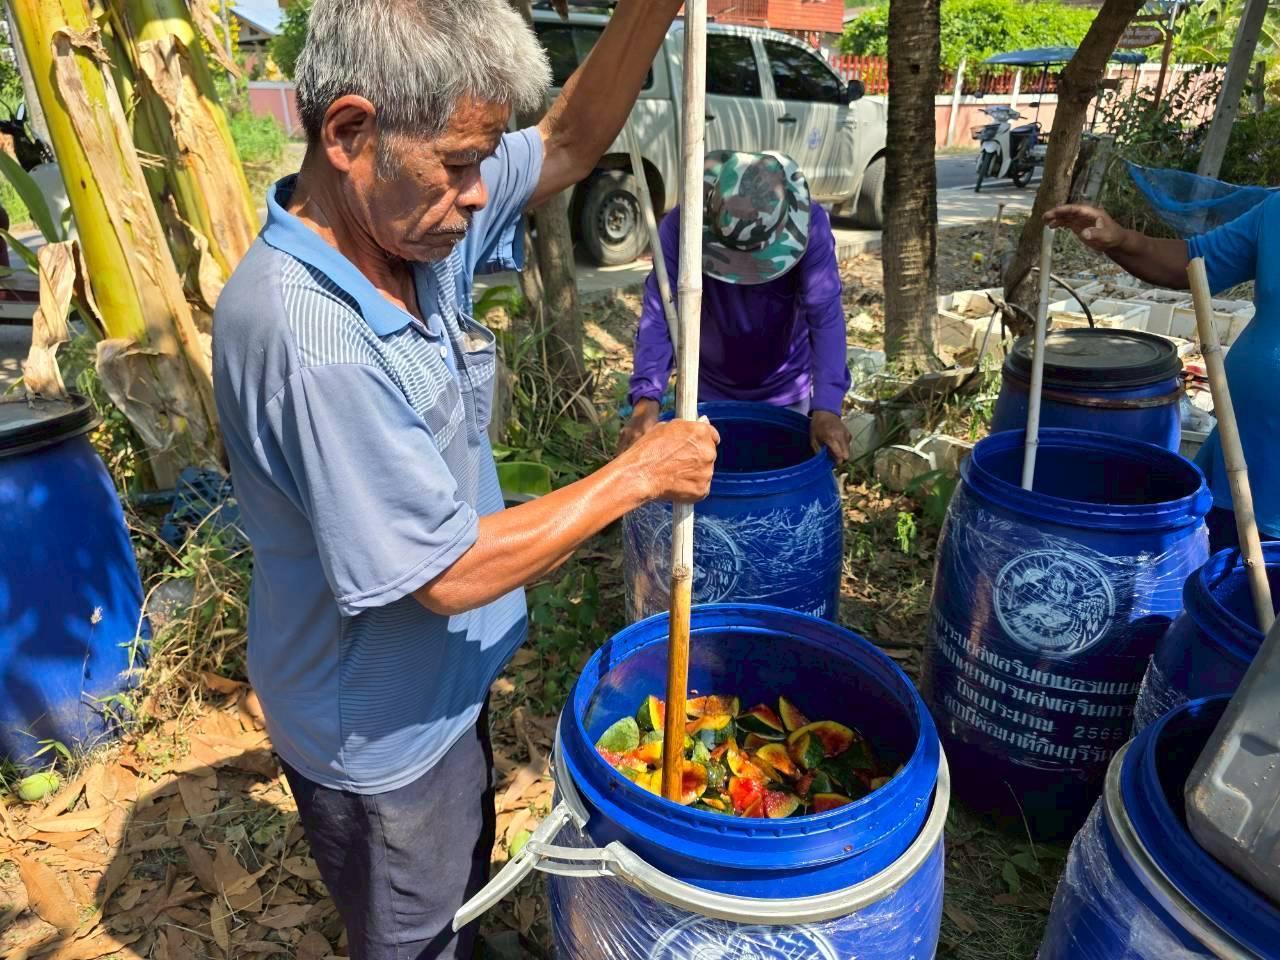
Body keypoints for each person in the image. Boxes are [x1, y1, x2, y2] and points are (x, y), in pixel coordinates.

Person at [212, 2, 719, 957]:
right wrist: (637, 475)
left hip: (437, 693)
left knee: (458, 878)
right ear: (351, 132)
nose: (482, 193)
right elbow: (441, 572)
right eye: (458, 164)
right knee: (414, 926)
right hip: (379, 736)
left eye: (483, 161)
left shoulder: (409, 233)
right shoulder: (314, 343)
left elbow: (568, 138)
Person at [1046, 198, 1279, 551]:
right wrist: (1122, 240)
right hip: (1242, 460)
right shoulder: (1275, 212)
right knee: (1218, 591)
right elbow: (1196, 259)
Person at [619, 151, 853, 462]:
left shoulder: (811, 227)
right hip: (704, 388)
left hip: (785, 385)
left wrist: (826, 405)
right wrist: (647, 399)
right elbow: (661, 311)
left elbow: (825, 316)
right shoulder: (681, 227)